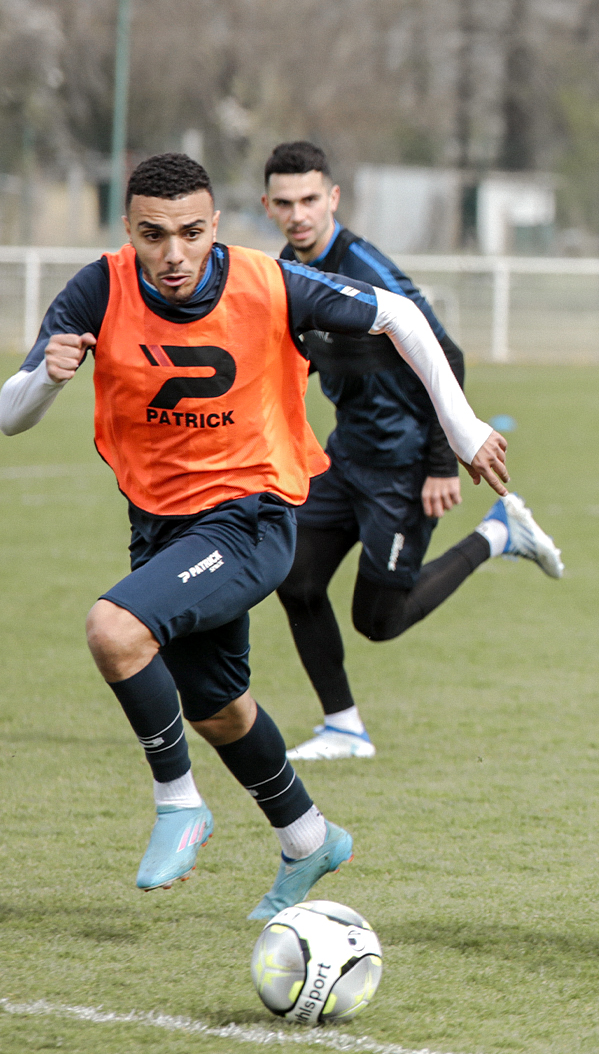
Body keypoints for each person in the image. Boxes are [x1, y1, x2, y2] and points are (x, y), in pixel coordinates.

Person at [0, 153, 509, 918]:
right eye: (153, 235)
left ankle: (179, 804)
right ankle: (309, 838)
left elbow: (402, 316)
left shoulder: (268, 283)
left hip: (253, 515)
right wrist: (50, 375)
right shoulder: (98, 287)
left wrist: (462, 429)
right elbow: (12, 412)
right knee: (219, 709)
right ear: (129, 230)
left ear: (217, 225)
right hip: (161, 529)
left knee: (114, 631)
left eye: (192, 233)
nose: (173, 254)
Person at [261, 141, 562, 762]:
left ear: (333, 199)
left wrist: (436, 461)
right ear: (267, 206)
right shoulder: (282, 274)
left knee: (378, 621)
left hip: (403, 467)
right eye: (285, 203)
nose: (299, 215)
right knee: (294, 579)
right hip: (346, 458)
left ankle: (498, 535)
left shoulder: (365, 267)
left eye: (310, 199)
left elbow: (444, 352)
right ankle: (343, 726)